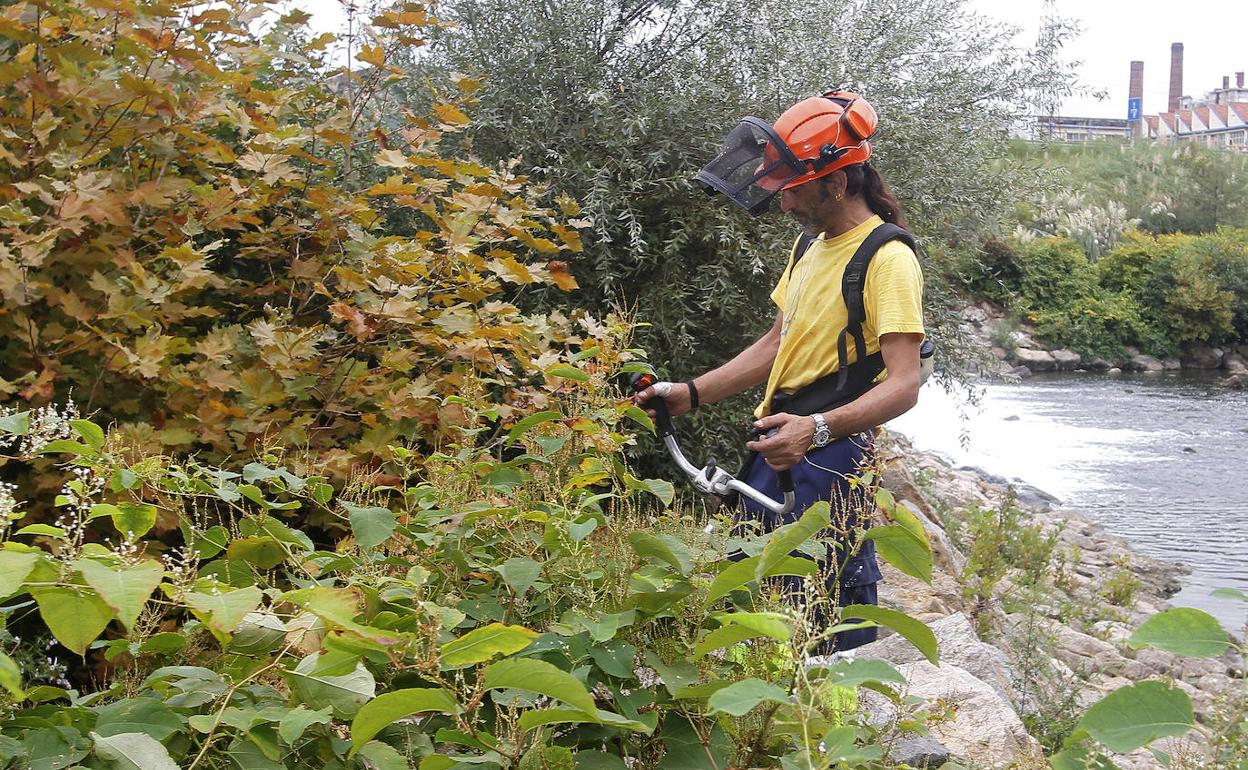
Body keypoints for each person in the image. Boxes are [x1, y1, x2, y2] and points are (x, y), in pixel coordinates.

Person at [633, 90, 926, 653]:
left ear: (836, 183)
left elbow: (905, 382)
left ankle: (839, 718)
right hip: (780, 440)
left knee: (818, 593)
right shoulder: (809, 248)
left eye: (792, 190)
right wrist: (689, 395)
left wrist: (814, 430)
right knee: (753, 588)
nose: (785, 205)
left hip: (831, 449)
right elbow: (777, 342)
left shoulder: (888, 258)